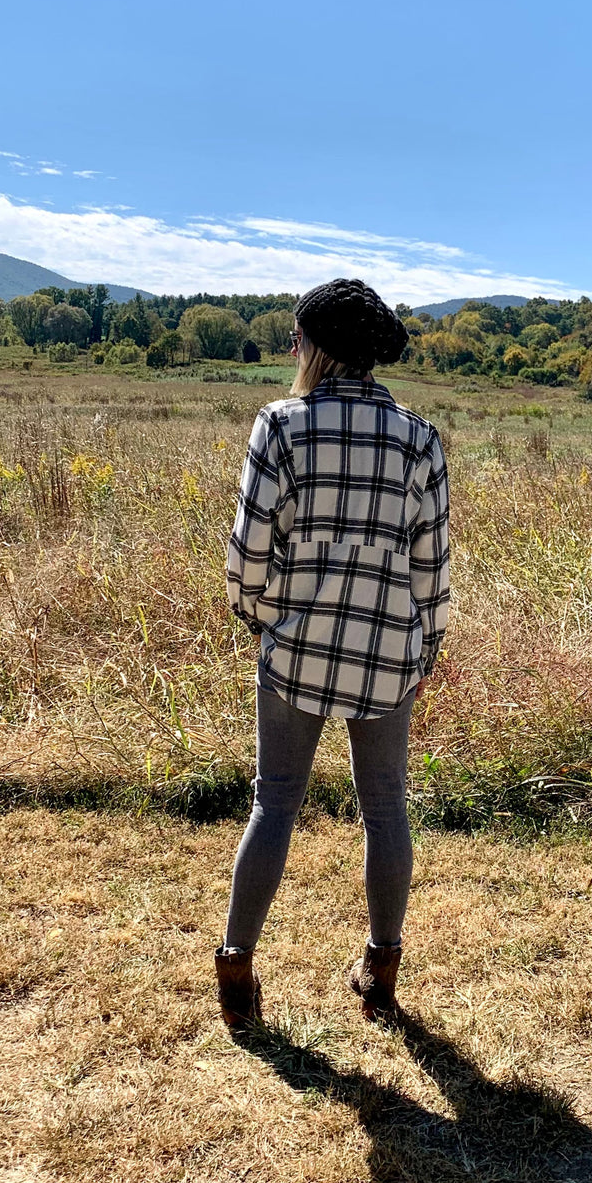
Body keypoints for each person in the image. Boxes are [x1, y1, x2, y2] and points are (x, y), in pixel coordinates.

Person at [216, 278, 449, 1029]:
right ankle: (381, 971)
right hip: (387, 651)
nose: (292, 348)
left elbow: (248, 555)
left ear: (315, 347)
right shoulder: (420, 439)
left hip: (295, 650)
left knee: (274, 803)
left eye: (296, 337)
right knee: (386, 808)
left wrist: (265, 621)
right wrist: (423, 651)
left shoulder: (280, 425)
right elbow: (431, 569)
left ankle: (236, 971)